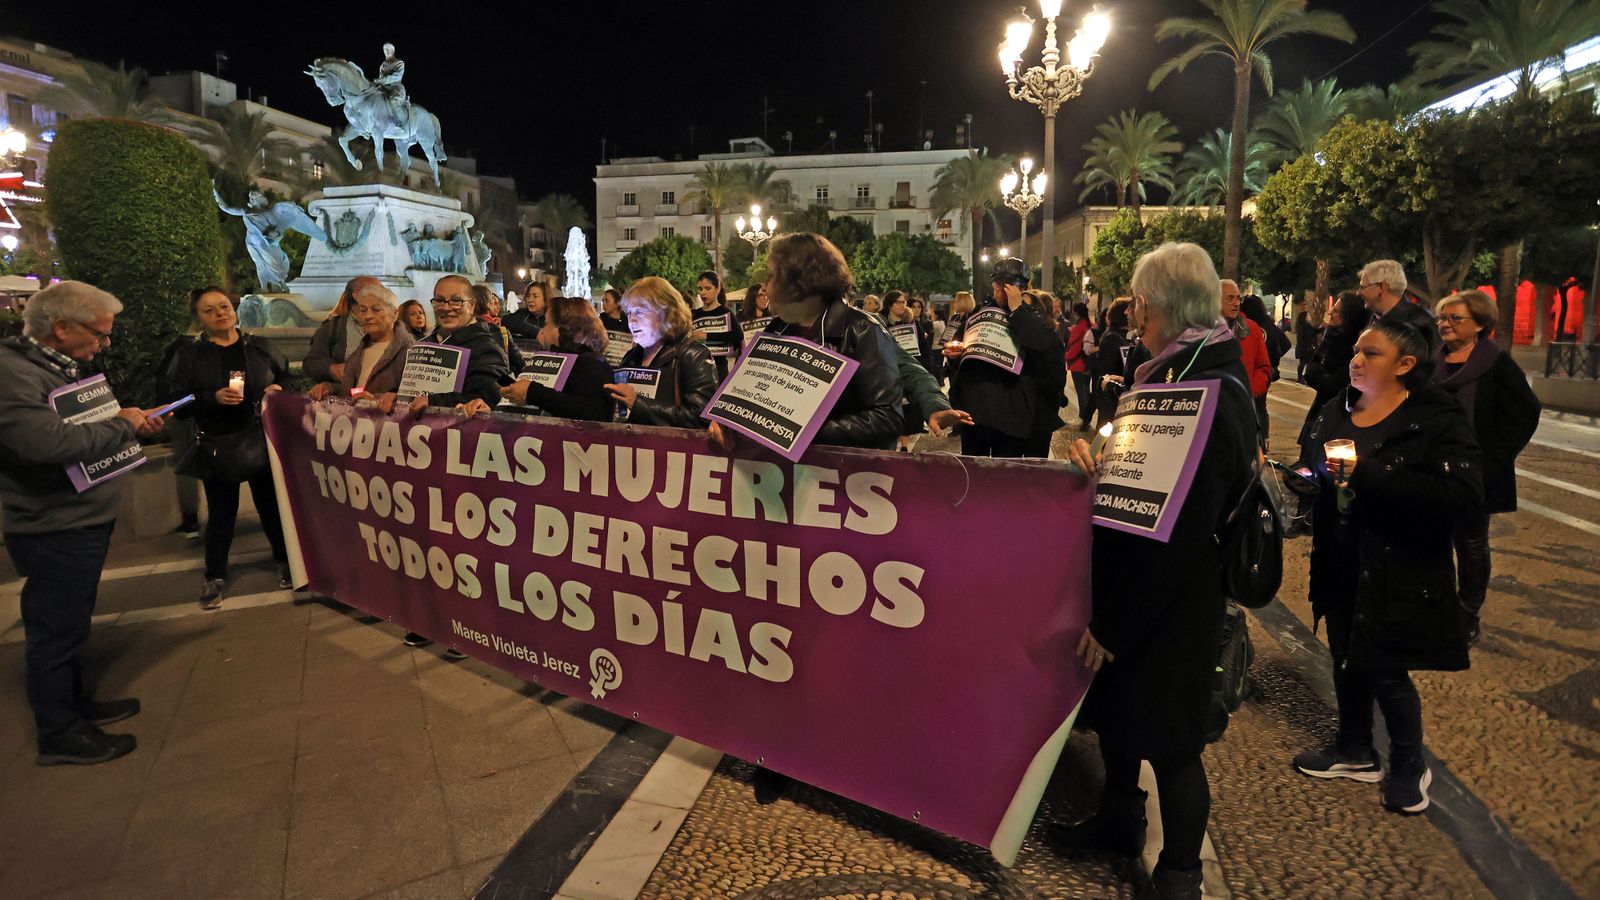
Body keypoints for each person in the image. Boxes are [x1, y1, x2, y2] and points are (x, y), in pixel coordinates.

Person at [1060, 243, 1256, 900]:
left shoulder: (1212, 389)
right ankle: (1118, 822)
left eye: (1140, 303)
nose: (1134, 314)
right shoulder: (1164, 374)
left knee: (1172, 745)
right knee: (1118, 720)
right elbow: (1133, 463)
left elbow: (1184, 533)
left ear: (1160, 306)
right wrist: (1100, 458)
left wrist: (1115, 622)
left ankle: (1180, 874)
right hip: (1128, 582)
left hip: (1172, 601)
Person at [1292, 318, 1482, 817]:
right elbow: (1318, 456)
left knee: (1385, 667)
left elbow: (1461, 499)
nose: (1356, 359)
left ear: (1405, 365)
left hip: (1398, 564)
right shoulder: (1341, 406)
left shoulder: (1434, 417)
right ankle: (1354, 749)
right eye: (1356, 350)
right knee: (1345, 654)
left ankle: (1408, 763)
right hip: (1340, 554)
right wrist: (1309, 478)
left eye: (1370, 353)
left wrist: (1370, 474)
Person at [0, 281, 166, 765]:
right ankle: (59, 732)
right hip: (52, 523)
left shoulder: (49, 366)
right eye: (99, 334)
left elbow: (80, 424)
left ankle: (73, 705)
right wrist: (123, 426)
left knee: (70, 622)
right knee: (56, 628)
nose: (105, 343)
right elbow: (49, 445)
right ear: (61, 328)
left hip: (77, 516)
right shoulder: (12, 375)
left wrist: (125, 417)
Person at [164, 288, 293, 609]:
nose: (221, 313)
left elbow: (289, 380)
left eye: (224, 306)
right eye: (210, 310)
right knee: (221, 514)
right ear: (199, 318)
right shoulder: (191, 354)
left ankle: (286, 562)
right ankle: (215, 575)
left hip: (260, 439)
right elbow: (177, 402)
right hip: (218, 443)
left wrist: (279, 389)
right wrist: (211, 397)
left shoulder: (259, 346)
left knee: (272, 507)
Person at [715, 231, 902, 453]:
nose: (763, 287)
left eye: (771, 276)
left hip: (837, 478)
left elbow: (887, 419)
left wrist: (801, 432)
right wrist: (725, 419)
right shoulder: (777, 328)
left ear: (798, 281)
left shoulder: (862, 330)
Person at [1431, 290, 1540, 643]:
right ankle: (1440, 605)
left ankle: (1468, 612)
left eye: (1455, 318)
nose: (1445, 324)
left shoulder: (1496, 364)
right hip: (1432, 470)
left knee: (1471, 543)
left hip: (1476, 472)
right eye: (1443, 318)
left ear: (1479, 324)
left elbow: (1525, 412)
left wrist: (1493, 457)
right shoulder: (1432, 363)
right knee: (1435, 540)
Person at [946, 258, 1066, 458]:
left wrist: (1017, 310)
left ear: (1021, 288)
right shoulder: (979, 313)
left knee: (1006, 477)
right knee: (975, 475)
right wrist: (957, 355)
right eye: (998, 285)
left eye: (1008, 285)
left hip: (1011, 421)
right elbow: (963, 349)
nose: (1001, 291)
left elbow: (1050, 356)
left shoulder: (1031, 318)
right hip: (976, 416)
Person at [379, 274, 509, 417]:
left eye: (456, 301)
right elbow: (414, 389)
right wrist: (395, 395)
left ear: (471, 305)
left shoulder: (487, 348)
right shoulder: (424, 344)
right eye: (439, 300)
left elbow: (490, 398)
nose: (446, 308)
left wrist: (434, 401)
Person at [604, 277, 720, 428]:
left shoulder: (693, 355)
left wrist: (638, 404)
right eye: (629, 313)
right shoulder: (630, 357)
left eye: (639, 312)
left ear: (665, 313)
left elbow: (701, 418)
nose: (631, 320)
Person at [488, 296, 614, 422]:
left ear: (561, 328)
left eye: (547, 323)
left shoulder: (590, 363)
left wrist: (532, 392)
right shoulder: (574, 360)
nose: (542, 331)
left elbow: (594, 412)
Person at [307, 283, 415, 401]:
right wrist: (329, 388)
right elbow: (355, 390)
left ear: (394, 314)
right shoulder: (360, 349)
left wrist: (376, 400)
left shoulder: (410, 351)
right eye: (363, 310)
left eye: (376, 310)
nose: (368, 316)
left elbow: (414, 399)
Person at [1299, 291, 1370, 446]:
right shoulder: (1330, 337)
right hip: (1320, 411)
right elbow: (1311, 368)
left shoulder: (1352, 347)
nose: (1330, 312)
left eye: (1336, 310)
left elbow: (1336, 384)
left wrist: (1317, 375)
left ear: (1348, 317)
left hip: (1338, 417)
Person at [304, 276, 381, 383]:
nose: (382, 295)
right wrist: (331, 369)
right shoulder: (332, 327)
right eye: (375, 290)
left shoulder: (392, 325)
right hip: (346, 393)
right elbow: (311, 363)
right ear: (356, 296)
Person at [1222, 279, 1272, 444]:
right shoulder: (1201, 331)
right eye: (1230, 298)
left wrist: (1250, 389)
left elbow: (1263, 368)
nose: (1236, 303)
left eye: (1238, 298)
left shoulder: (1251, 329)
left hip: (1244, 408)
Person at [1359, 259, 1439, 356]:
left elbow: (1427, 366)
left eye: (1363, 287)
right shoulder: (1373, 319)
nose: (1358, 293)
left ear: (1381, 287)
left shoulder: (1420, 322)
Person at [691, 270, 740, 379]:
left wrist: (708, 336)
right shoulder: (694, 314)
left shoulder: (726, 313)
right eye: (700, 289)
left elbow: (737, 336)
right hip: (697, 369)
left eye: (708, 288)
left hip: (719, 369)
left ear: (717, 289)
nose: (703, 292)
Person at [1091, 299, 1132, 426]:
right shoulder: (1113, 337)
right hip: (1111, 398)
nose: (1129, 313)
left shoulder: (1118, 335)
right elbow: (1107, 371)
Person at [471, 283, 524, 376]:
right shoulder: (500, 331)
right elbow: (520, 363)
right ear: (489, 304)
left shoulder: (461, 330)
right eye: (493, 300)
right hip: (499, 383)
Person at [1065, 302, 1094, 430]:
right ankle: (1087, 417)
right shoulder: (1091, 325)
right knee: (1086, 391)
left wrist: (1064, 356)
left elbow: (1075, 349)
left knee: (1081, 393)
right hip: (1088, 364)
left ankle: (1084, 419)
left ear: (1076, 313)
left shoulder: (1078, 328)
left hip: (1078, 365)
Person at [1293, 300, 1320, 383]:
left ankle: (1304, 378)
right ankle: (1300, 378)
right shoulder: (1302, 317)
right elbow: (1302, 332)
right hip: (1304, 345)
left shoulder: (1307, 320)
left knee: (1307, 363)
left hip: (1308, 345)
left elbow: (1313, 330)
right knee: (1304, 362)